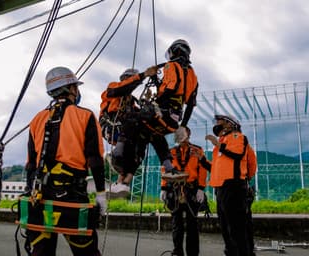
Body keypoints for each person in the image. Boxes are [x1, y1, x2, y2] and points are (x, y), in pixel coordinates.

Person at [25, 66, 107, 256]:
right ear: (71, 89)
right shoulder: (85, 116)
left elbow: (31, 164)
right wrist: (101, 194)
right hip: (72, 198)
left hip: (40, 198)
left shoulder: (37, 119)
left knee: (40, 251)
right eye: (76, 87)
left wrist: (31, 192)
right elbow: (95, 160)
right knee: (86, 252)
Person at [113, 39, 200, 179]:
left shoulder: (171, 66)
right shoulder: (193, 75)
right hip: (174, 120)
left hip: (163, 112)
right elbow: (190, 103)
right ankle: (169, 168)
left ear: (174, 51)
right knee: (155, 136)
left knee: (131, 119)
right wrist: (183, 126)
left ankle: (117, 153)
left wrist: (157, 104)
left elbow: (170, 88)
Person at [99, 67, 158, 197]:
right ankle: (118, 161)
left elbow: (141, 115)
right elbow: (120, 89)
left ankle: (123, 182)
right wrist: (143, 75)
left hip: (125, 131)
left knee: (143, 135)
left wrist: (148, 101)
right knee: (132, 127)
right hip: (112, 126)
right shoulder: (113, 87)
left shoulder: (131, 102)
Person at [205, 114, 257, 256]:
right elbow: (217, 168)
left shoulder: (237, 137)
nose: (217, 124)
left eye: (220, 121)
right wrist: (202, 160)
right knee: (226, 227)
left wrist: (243, 179)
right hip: (221, 188)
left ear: (230, 124)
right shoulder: (222, 143)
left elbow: (238, 155)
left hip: (233, 187)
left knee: (236, 228)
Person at [160, 126, 211, 256]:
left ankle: (192, 253)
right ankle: (177, 251)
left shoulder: (197, 150)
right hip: (175, 190)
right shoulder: (170, 152)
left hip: (191, 190)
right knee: (176, 224)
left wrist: (201, 188)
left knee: (192, 224)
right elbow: (165, 170)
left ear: (188, 135)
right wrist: (164, 188)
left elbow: (202, 170)